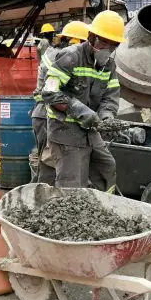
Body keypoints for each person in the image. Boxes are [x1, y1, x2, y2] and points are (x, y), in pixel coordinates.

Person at [42, 11, 124, 190]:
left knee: (106, 168)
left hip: (90, 130)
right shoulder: (70, 57)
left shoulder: (109, 65)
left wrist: (107, 117)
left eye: (112, 46)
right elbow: (49, 93)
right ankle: (70, 215)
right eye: (102, 42)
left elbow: (110, 97)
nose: (106, 49)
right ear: (91, 37)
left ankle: (99, 210)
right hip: (65, 131)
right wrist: (79, 110)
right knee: (73, 184)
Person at [31, 20, 90, 185]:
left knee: (51, 161)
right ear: (75, 42)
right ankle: (40, 199)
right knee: (49, 163)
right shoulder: (61, 56)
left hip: (45, 113)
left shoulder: (55, 53)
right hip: (46, 114)